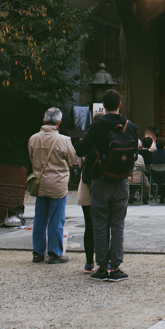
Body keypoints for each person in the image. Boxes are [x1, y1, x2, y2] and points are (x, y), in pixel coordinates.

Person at [75, 88, 139, 282]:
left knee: (100, 224)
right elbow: (134, 154)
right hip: (121, 180)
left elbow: (81, 150)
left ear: (103, 106)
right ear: (119, 104)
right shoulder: (131, 126)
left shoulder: (97, 126)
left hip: (100, 179)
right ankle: (116, 266)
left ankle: (102, 267)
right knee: (117, 225)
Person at [28, 107, 79, 264]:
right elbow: (73, 161)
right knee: (56, 220)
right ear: (59, 122)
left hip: (40, 182)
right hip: (57, 184)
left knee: (40, 219)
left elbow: (31, 158)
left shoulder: (33, 139)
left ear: (44, 121)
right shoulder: (64, 140)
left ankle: (37, 252)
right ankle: (55, 252)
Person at [76, 111, 104, 273]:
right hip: (102, 183)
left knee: (89, 224)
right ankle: (103, 260)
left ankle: (88, 262)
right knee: (103, 224)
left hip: (86, 184)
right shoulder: (106, 140)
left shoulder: (85, 141)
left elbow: (79, 160)